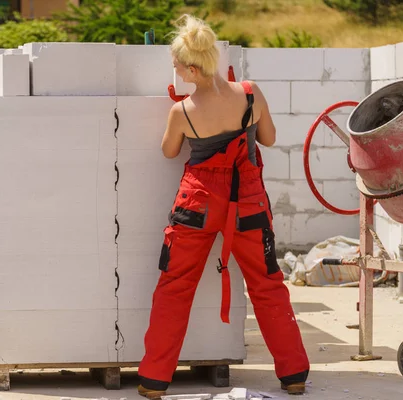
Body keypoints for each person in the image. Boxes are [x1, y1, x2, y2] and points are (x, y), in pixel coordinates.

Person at [136, 14, 310, 398]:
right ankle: (294, 374)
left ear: (193, 68)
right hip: (247, 200)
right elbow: (269, 137)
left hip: (197, 205)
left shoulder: (182, 112)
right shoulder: (250, 93)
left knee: (175, 286)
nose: (175, 70)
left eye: (177, 65)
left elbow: (168, 152)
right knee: (267, 284)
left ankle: (153, 380)